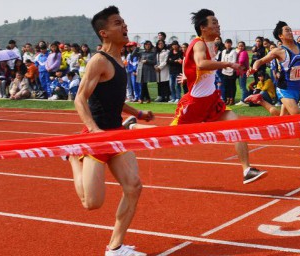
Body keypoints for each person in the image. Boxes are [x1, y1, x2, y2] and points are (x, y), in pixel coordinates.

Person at [130, 9, 267, 184]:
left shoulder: (210, 45)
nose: (218, 25)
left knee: (237, 126)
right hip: (194, 104)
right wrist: (228, 63)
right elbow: (201, 63)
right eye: (214, 22)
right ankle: (134, 127)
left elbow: (194, 65)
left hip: (211, 101)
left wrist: (188, 75)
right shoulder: (199, 43)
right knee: (168, 137)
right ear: (203, 27)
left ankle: (247, 170)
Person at [68, 6, 153, 256]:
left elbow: (113, 99)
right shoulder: (98, 60)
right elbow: (80, 99)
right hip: (97, 136)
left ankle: (115, 247)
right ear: (104, 33)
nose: (124, 26)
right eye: (118, 23)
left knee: (134, 186)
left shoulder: (119, 61)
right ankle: (73, 157)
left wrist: (137, 114)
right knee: (91, 204)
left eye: (124, 22)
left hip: (115, 134)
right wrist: (94, 130)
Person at [244, 20, 300, 159]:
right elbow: (260, 61)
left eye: (290, 29)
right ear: (281, 36)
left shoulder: (299, 47)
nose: (290, 32)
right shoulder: (279, 51)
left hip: (296, 89)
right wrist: (254, 68)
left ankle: (261, 101)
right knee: (297, 116)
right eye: (287, 30)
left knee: (282, 119)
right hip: (284, 89)